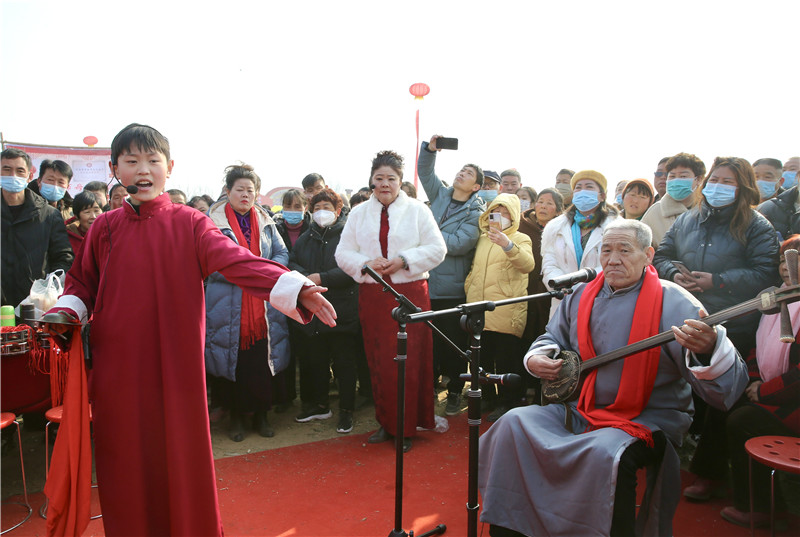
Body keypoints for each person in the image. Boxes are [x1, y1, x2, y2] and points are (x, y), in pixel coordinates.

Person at [43, 124, 336, 537]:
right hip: (118, 371)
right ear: (114, 169)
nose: (143, 170)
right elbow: (80, 284)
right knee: (123, 462)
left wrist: (293, 286)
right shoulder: (104, 228)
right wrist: (66, 310)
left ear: (170, 167)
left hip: (176, 370)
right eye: (131, 161)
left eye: (152, 161)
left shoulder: (191, 223)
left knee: (180, 459)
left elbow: (236, 260)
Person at [479, 219, 748, 537]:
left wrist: (708, 349)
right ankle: (514, 529)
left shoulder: (675, 301)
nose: (613, 259)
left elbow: (728, 386)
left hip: (647, 417)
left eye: (624, 250)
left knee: (606, 453)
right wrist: (538, 358)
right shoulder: (581, 294)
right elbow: (553, 336)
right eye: (606, 250)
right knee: (514, 424)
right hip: (581, 408)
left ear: (648, 255)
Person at [653, 156, 780, 501]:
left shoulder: (757, 225)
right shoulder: (688, 219)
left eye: (728, 181)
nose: (717, 187)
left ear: (743, 188)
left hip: (733, 324)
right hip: (686, 318)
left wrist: (718, 281)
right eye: (715, 179)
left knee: (722, 400)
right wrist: (673, 273)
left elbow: (766, 272)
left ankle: (709, 473)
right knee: (681, 387)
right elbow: (661, 255)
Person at [336, 150, 446, 452]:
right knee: (379, 360)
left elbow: (438, 249)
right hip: (373, 294)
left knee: (409, 362)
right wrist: (367, 263)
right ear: (372, 180)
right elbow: (343, 253)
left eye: (391, 179)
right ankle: (385, 422)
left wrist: (403, 260)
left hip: (410, 293)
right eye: (379, 178)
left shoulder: (417, 210)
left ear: (400, 181)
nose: (385, 184)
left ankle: (407, 426)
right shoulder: (358, 213)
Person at [205, 163, 291, 442]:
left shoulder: (266, 221)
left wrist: (262, 273)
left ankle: (262, 415)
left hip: (263, 303)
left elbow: (281, 253)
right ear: (227, 191)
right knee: (234, 361)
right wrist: (246, 274)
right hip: (227, 303)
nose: (245, 194)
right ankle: (237, 418)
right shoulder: (211, 223)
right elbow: (208, 262)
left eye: (250, 190)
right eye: (239, 189)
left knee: (261, 360)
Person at [719, 235, 800, 529]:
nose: (787, 266)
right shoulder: (777, 299)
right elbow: (757, 347)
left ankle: (764, 508)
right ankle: (711, 478)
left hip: (794, 401)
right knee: (725, 401)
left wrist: (763, 392)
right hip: (774, 393)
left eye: (796, 258)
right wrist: (754, 382)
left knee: (744, 420)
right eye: (783, 259)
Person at [418, 135, 485, 415]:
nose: (461, 174)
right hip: (425, 281)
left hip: (452, 289)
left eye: (468, 173)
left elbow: (460, 244)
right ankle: (429, 387)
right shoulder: (441, 195)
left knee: (453, 344)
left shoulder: (476, 211)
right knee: (428, 343)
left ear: (476, 186)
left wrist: (427, 232)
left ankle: (456, 390)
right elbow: (425, 172)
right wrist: (429, 150)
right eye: (460, 170)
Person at [289, 188, 360, 433]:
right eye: (317, 208)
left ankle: (347, 411)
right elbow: (292, 262)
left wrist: (322, 277)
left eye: (327, 208)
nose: (321, 213)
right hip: (313, 311)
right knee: (315, 361)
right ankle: (320, 405)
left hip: (342, 309)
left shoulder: (348, 235)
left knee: (344, 364)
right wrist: (304, 278)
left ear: (338, 211)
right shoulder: (306, 237)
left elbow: (353, 269)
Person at [465, 193, 535, 421]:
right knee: (480, 358)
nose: (500, 215)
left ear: (514, 214)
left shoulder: (521, 238)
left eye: (506, 211)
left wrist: (508, 245)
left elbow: (527, 265)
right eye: (496, 210)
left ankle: (509, 400)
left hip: (505, 308)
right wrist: (469, 288)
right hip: (478, 307)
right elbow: (475, 268)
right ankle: (487, 397)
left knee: (506, 359)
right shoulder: (483, 238)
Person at [1, 148, 73, 310]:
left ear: (30, 176)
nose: (13, 175)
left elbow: (64, 257)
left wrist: (47, 289)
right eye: (7, 169)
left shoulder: (48, 214)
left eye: (20, 171)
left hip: (34, 307)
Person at [541, 170, 618, 318]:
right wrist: (561, 284)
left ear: (602, 196)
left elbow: (611, 264)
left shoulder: (616, 227)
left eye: (589, 187)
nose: (582, 191)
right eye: (578, 187)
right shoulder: (555, 227)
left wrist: (583, 288)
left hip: (600, 299)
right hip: (563, 300)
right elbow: (549, 263)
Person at [517, 187, 564, 400]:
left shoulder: (561, 229)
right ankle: (521, 388)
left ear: (558, 209)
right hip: (523, 291)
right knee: (522, 339)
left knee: (543, 338)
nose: (543, 206)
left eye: (549, 203)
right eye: (541, 202)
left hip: (549, 295)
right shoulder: (522, 226)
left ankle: (541, 392)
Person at [641, 152, 705, 247]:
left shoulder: (707, 210)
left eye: (683, 176)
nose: (676, 181)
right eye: (672, 176)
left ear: (698, 179)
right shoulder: (655, 212)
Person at [65, 191, 103, 255]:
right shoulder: (68, 239)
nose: (93, 216)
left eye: (96, 211)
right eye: (87, 212)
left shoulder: (110, 235)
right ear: (76, 216)